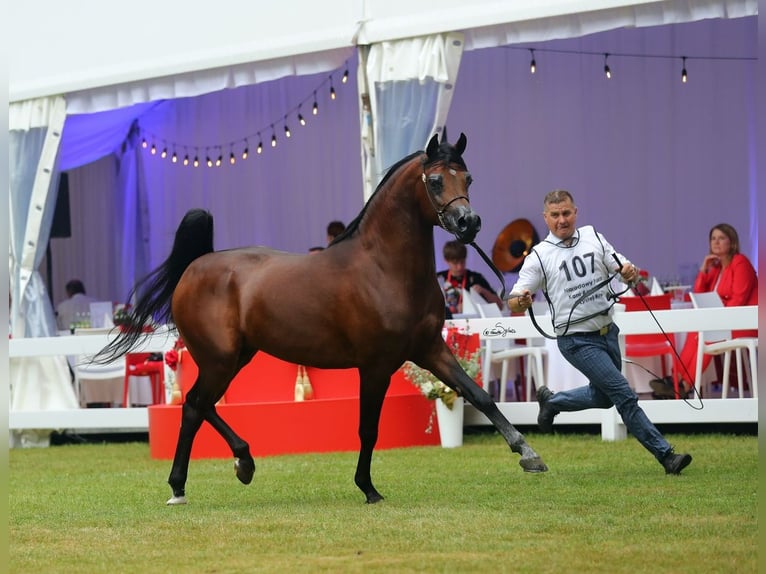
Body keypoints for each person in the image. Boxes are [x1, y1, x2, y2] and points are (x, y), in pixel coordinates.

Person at [507, 189, 692, 475]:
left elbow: (621, 266)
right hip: (576, 340)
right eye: (555, 215)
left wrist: (629, 272)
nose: (561, 220)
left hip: (607, 332)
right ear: (545, 218)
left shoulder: (594, 236)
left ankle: (553, 402)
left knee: (605, 397)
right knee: (624, 395)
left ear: (575, 212)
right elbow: (514, 299)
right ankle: (666, 456)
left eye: (566, 213)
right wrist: (521, 300)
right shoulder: (539, 257)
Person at [651, 223, 758, 398]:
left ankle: (684, 385)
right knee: (695, 332)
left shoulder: (740, 262)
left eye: (721, 238)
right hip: (723, 321)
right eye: (713, 238)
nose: (716, 242)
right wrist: (703, 269)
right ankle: (676, 379)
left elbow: (739, 299)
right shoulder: (716, 268)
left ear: (732, 243)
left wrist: (716, 320)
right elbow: (699, 296)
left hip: (744, 321)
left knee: (708, 335)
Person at [436, 240, 503, 316]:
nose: (460, 267)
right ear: (446, 261)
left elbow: (500, 306)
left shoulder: (475, 278)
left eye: (462, 262)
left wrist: (484, 291)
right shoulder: (438, 278)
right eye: (455, 263)